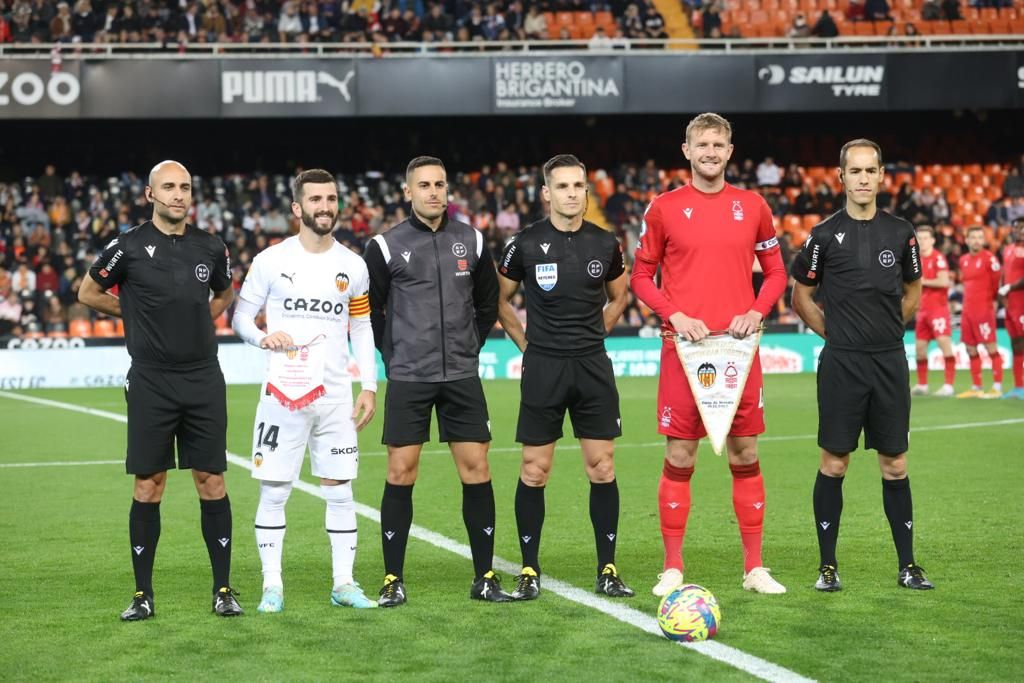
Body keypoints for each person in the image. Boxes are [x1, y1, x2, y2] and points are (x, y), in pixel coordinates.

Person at [630, 113, 789, 597]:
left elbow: (777, 272)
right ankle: (673, 567)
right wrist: (675, 315)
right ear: (687, 151)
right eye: (703, 144)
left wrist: (757, 310)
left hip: (739, 350)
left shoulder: (754, 205)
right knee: (680, 454)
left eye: (719, 144)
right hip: (685, 351)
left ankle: (755, 567)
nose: (711, 152)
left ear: (730, 151)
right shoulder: (664, 208)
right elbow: (640, 276)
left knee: (746, 452)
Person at [78, 160, 243, 620]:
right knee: (149, 484)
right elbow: (87, 292)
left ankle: (223, 589)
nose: (178, 194)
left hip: (203, 377)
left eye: (185, 187)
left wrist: (199, 321)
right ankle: (142, 594)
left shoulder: (211, 247)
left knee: (211, 480)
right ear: (150, 194)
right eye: (168, 187)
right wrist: (131, 315)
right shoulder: (126, 246)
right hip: (151, 379)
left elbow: (225, 293)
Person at [363, 156, 511, 606]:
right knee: (400, 472)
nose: (433, 191)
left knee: (477, 471)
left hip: (461, 375)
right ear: (408, 192)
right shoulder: (385, 246)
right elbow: (372, 311)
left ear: (448, 190)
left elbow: (488, 304)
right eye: (423, 185)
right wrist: (394, 354)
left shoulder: (473, 239)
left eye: (440, 184)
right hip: (409, 377)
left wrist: (470, 346)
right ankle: (392, 579)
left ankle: (484, 576)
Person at [231, 169, 379, 613]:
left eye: (331, 198)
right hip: (283, 393)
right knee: (274, 490)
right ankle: (272, 587)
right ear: (297, 208)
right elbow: (240, 318)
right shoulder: (270, 260)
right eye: (315, 199)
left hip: (335, 397)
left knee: (340, 490)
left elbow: (362, 326)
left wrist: (369, 385)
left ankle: (344, 584)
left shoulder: (352, 266)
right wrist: (261, 338)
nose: (325, 206)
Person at [790, 138, 934, 592]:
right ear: (841, 178)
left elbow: (914, 288)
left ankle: (908, 565)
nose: (863, 179)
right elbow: (801, 296)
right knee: (834, 463)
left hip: (889, 361)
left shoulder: (901, 232)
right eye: (855, 171)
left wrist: (891, 327)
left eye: (870, 171)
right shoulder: (824, 235)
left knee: (895, 464)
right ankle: (827, 567)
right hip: (843, 364)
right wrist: (835, 334)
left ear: (881, 176)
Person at [496, 154, 633, 601]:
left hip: (592, 365)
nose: (572, 194)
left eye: (579, 186)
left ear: (585, 192)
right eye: (563, 186)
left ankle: (607, 569)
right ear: (546, 193)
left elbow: (619, 295)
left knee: (603, 467)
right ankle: (529, 569)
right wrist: (526, 345)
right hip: (545, 367)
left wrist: (598, 332)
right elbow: (499, 300)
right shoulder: (525, 243)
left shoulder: (605, 242)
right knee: (535, 471)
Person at [956, 226, 1003, 398]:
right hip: (967, 311)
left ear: (983, 240)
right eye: (973, 237)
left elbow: (997, 284)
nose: (976, 240)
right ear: (967, 240)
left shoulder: (990, 259)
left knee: (991, 347)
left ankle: (997, 387)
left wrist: (995, 303)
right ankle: (977, 387)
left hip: (984, 310)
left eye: (979, 237)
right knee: (970, 348)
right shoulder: (963, 260)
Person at [911, 226, 956, 397]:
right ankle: (922, 385)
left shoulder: (938, 258)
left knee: (945, 345)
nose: (922, 241)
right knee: (920, 349)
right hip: (922, 311)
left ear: (932, 240)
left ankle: (948, 385)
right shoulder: (915, 259)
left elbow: (944, 281)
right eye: (919, 238)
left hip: (938, 310)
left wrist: (922, 281)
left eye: (925, 238)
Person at [998, 218, 1024, 399]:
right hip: (1011, 304)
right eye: (1017, 228)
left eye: (1023, 228)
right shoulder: (1008, 249)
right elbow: (1005, 273)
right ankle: (1018, 386)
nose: (1020, 231)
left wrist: (1009, 288)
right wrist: (1002, 291)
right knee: (1016, 345)